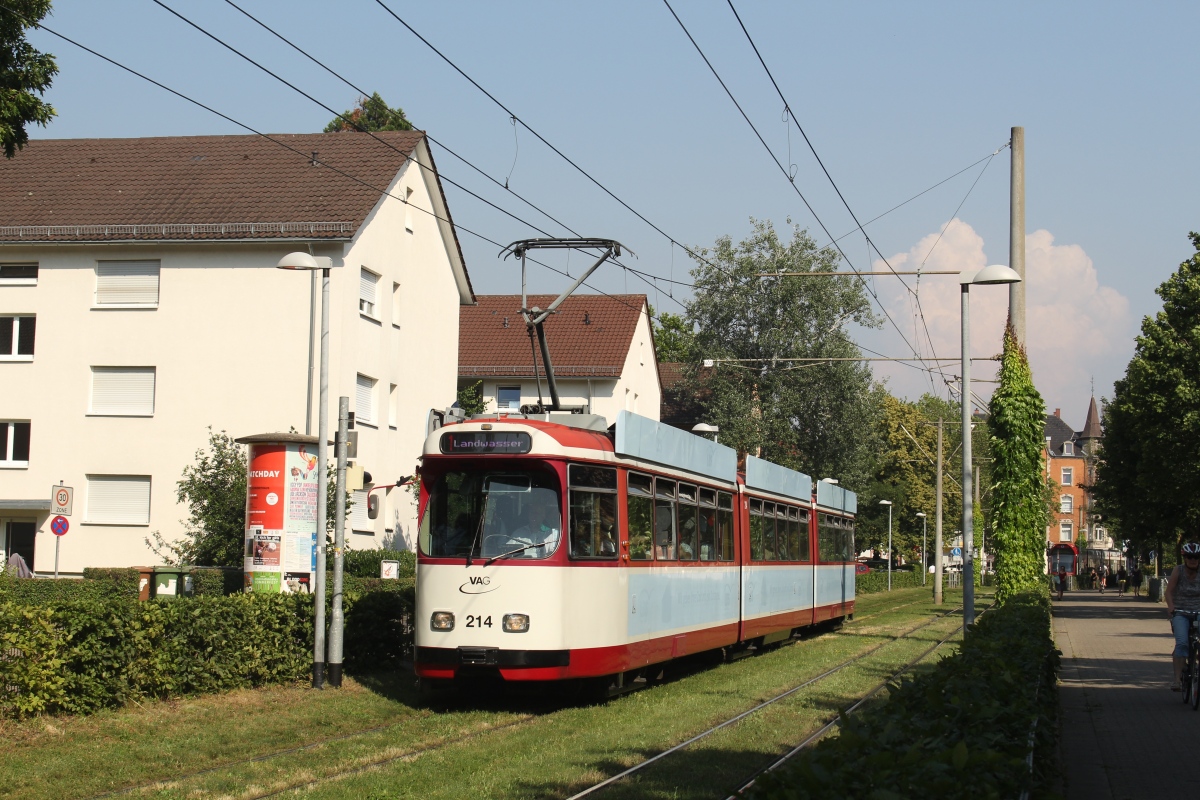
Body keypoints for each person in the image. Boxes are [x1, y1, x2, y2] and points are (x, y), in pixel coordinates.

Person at [1166, 542, 1200, 691]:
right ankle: (1177, 681)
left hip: (1198, 612)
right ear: (1185, 558)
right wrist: (1172, 607)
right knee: (1182, 643)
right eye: (1190, 557)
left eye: (1196, 557)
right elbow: (1169, 592)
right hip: (1180, 612)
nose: (1193, 560)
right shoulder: (1178, 571)